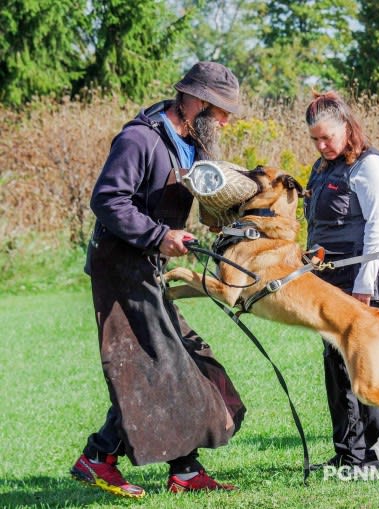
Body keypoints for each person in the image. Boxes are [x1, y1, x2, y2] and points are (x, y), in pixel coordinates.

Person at [69, 62, 247, 498]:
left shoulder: (191, 142)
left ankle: (177, 469)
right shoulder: (140, 138)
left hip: (148, 267)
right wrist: (159, 235)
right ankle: (101, 459)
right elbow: (107, 199)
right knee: (161, 365)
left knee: (178, 360)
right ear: (200, 102)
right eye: (222, 111)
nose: (225, 120)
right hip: (119, 268)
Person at [303, 91, 379, 469]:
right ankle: (348, 456)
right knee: (336, 367)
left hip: (365, 283)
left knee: (365, 367)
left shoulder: (371, 166)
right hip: (328, 285)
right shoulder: (322, 167)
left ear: (347, 126)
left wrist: (363, 289)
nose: (321, 145)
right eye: (314, 139)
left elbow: (377, 233)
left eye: (327, 137)